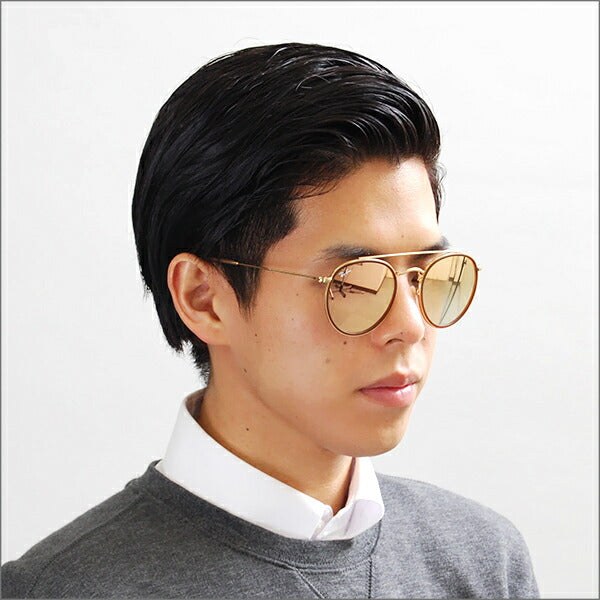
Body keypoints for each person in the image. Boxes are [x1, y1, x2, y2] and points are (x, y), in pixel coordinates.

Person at [1, 42, 539, 599]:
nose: (411, 325)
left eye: (425, 273)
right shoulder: (60, 590)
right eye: (354, 283)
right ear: (204, 298)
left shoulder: (482, 561)